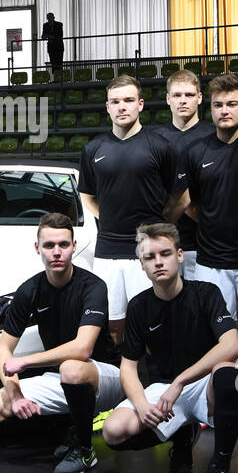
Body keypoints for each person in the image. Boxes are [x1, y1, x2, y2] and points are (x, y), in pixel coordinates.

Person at [102, 222, 238, 473]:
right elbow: (128, 367)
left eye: (165, 254)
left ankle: (220, 467)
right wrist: (142, 406)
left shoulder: (206, 293)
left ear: (179, 255)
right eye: (149, 257)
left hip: (203, 386)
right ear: (141, 265)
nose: (158, 262)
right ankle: (181, 434)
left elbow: (232, 345)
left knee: (232, 374)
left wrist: (181, 381)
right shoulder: (139, 307)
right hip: (165, 392)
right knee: (113, 432)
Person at [0, 213, 124, 473]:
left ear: (73, 246)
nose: (57, 252)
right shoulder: (29, 290)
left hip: (107, 377)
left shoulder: (93, 287)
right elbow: (3, 350)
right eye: (49, 246)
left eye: (63, 245)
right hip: (64, 376)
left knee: (71, 367)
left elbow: (83, 349)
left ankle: (84, 449)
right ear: (38, 249)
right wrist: (14, 393)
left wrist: (26, 361)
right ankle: (72, 430)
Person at [173, 73, 238, 420]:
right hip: (212, 260)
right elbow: (187, 201)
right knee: (217, 340)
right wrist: (214, 221)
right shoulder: (195, 150)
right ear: (210, 109)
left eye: (232, 104)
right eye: (218, 105)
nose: (224, 111)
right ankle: (213, 408)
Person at [78, 75, 181, 348]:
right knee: (112, 325)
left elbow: (179, 198)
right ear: (107, 107)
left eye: (128, 100)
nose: (122, 106)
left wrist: (156, 228)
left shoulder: (160, 146)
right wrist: (109, 217)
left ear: (141, 104)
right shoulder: (93, 149)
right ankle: (122, 385)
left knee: (154, 323)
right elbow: (87, 196)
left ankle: (157, 386)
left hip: (147, 251)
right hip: (108, 251)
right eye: (115, 101)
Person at [152, 69, 213, 278]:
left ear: (200, 98)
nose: (183, 101)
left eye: (189, 95)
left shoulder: (214, 135)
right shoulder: (155, 139)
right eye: (177, 95)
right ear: (168, 99)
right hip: (165, 242)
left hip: (205, 244)